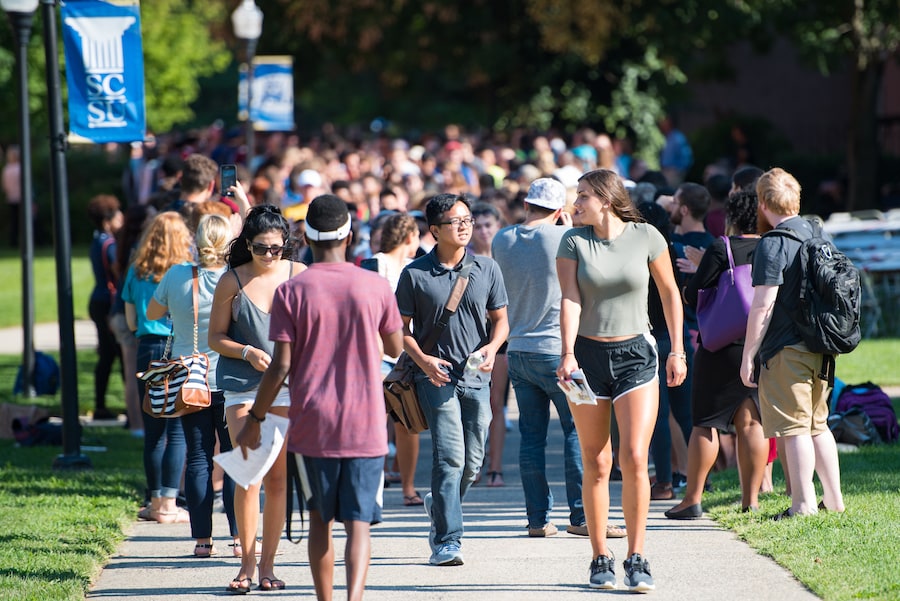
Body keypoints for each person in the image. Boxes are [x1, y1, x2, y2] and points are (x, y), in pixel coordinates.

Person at [237, 194, 403, 601]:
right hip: (366, 422)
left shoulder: (291, 291)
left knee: (319, 520)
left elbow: (280, 366)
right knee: (359, 523)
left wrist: (255, 418)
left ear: (306, 237)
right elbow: (396, 347)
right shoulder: (375, 285)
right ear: (349, 234)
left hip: (313, 424)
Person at [556, 169, 686, 592]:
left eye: (582, 197)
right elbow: (571, 297)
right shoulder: (572, 240)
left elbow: (669, 292)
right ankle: (599, 557)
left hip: (636, 355)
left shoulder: (647, 236)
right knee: (596, 461)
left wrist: (677, 349)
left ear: (605, 200)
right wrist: (568, 353)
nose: (575, 204)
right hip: (588, 359)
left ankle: (636, 555)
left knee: (633, 455)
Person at [494, 178, 625, 539]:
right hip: (559, 350)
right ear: (559, 210)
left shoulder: (501, 239)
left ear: (526, 203)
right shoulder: (563, 238)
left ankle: (538, 519)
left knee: (531, 438)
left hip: (519, 349)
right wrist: (569, 226)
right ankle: (582, 517)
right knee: (577, 433)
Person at [395, 193, 509, 566]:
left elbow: (501, 320)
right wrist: (424, 361)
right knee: (450, 458)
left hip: (476, 376)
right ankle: (447, 540)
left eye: (467, 220)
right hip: (435, 378)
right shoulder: (414, 274)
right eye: (454, 222)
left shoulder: (487, 268)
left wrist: (493, 349)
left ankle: (440, 504)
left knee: (473, 462)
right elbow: (401, 330)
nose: (464, 227)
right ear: (434, 231)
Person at [209, 204, 305, 591]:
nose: (269, 255)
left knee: (279, 478)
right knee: (248, 474)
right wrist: (247, 351)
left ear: (286, 245)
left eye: (276, 248)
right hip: (242, 384)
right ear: (247, 244)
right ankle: (246, 566)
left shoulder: (299, 276)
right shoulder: (232, 280)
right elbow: (216, 337)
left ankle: (268, 567)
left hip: (287, 384)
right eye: (261, 248)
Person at [740, 168, 845, 518]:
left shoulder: (773, 243)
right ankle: (834, 499)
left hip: (787, 347)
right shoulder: (818, 233)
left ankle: (802, 505)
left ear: (763, 202)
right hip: (822, 343)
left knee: (793, 427)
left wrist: (749, 355)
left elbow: (763, 304)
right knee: (818, 424)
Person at [665, 190, 769, 519]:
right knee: (751, 422)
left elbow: (696, 295)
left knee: (706, 424)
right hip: (762, 343)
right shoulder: (773, 249)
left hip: (720, 345)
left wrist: (684, 291)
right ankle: (750, 501)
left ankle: (692, 499)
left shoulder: (721, 247)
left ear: (732, 217)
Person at [147, 214, 239, 557]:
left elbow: (154, 313)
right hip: (228, 378)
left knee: (198, 458)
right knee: (232, 459)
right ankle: (239, 537)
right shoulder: (233, 279)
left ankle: (202, 540)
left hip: (189, 379)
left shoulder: (176, 275)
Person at [122, 211, 194, 523]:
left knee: (153, 430)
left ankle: (153, 501)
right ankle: (168, 502)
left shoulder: (136, 271)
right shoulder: (184, 273)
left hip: (147, 348)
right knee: (176, 430)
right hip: (177, 349)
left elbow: (131, 321)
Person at [361, 213, 423, 505]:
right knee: (374, 425)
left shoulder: (413, 268)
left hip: (406, 356)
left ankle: (408, 488)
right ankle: (373, 488)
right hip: (378, 356)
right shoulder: (375, 263)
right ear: (410, 236)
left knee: (408, 423)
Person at [469, 201, 509, 487]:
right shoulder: (465, 259)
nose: (483, 231)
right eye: (478, 226)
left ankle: (495, 467)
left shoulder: (506, 257)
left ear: (498, 227)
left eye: (488, 225)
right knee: (472, 403)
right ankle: (475, 461)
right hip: (471, 337)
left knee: (496, 403)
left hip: (501, 336)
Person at [86, 194, 124, 420]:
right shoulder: (109, 243)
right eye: (118, 214)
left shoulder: (96, 240)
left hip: (98, 299)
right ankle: (130, 409)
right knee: (118, 353)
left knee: (107, 355)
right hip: (108, 302)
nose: (122, 217)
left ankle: (100, 404)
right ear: (108, 220)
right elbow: (117, 272)